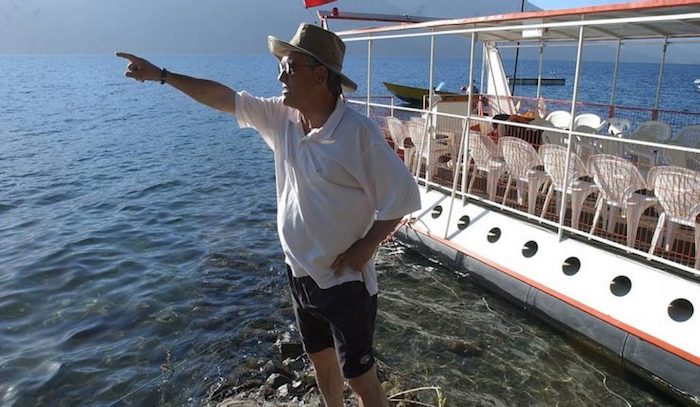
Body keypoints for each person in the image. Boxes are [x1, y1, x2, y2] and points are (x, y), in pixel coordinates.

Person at [117, 23, 420, 407]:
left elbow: (404, 197)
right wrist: (162, 75)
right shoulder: (282, 117)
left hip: (344, 281)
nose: (280, 76)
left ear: (320, 74)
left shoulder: (357, 134)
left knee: (360, 378)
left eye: (290, 67)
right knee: (320, 360)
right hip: (299, 272)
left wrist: (364, 249)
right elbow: (222, 98)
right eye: (281, 66)